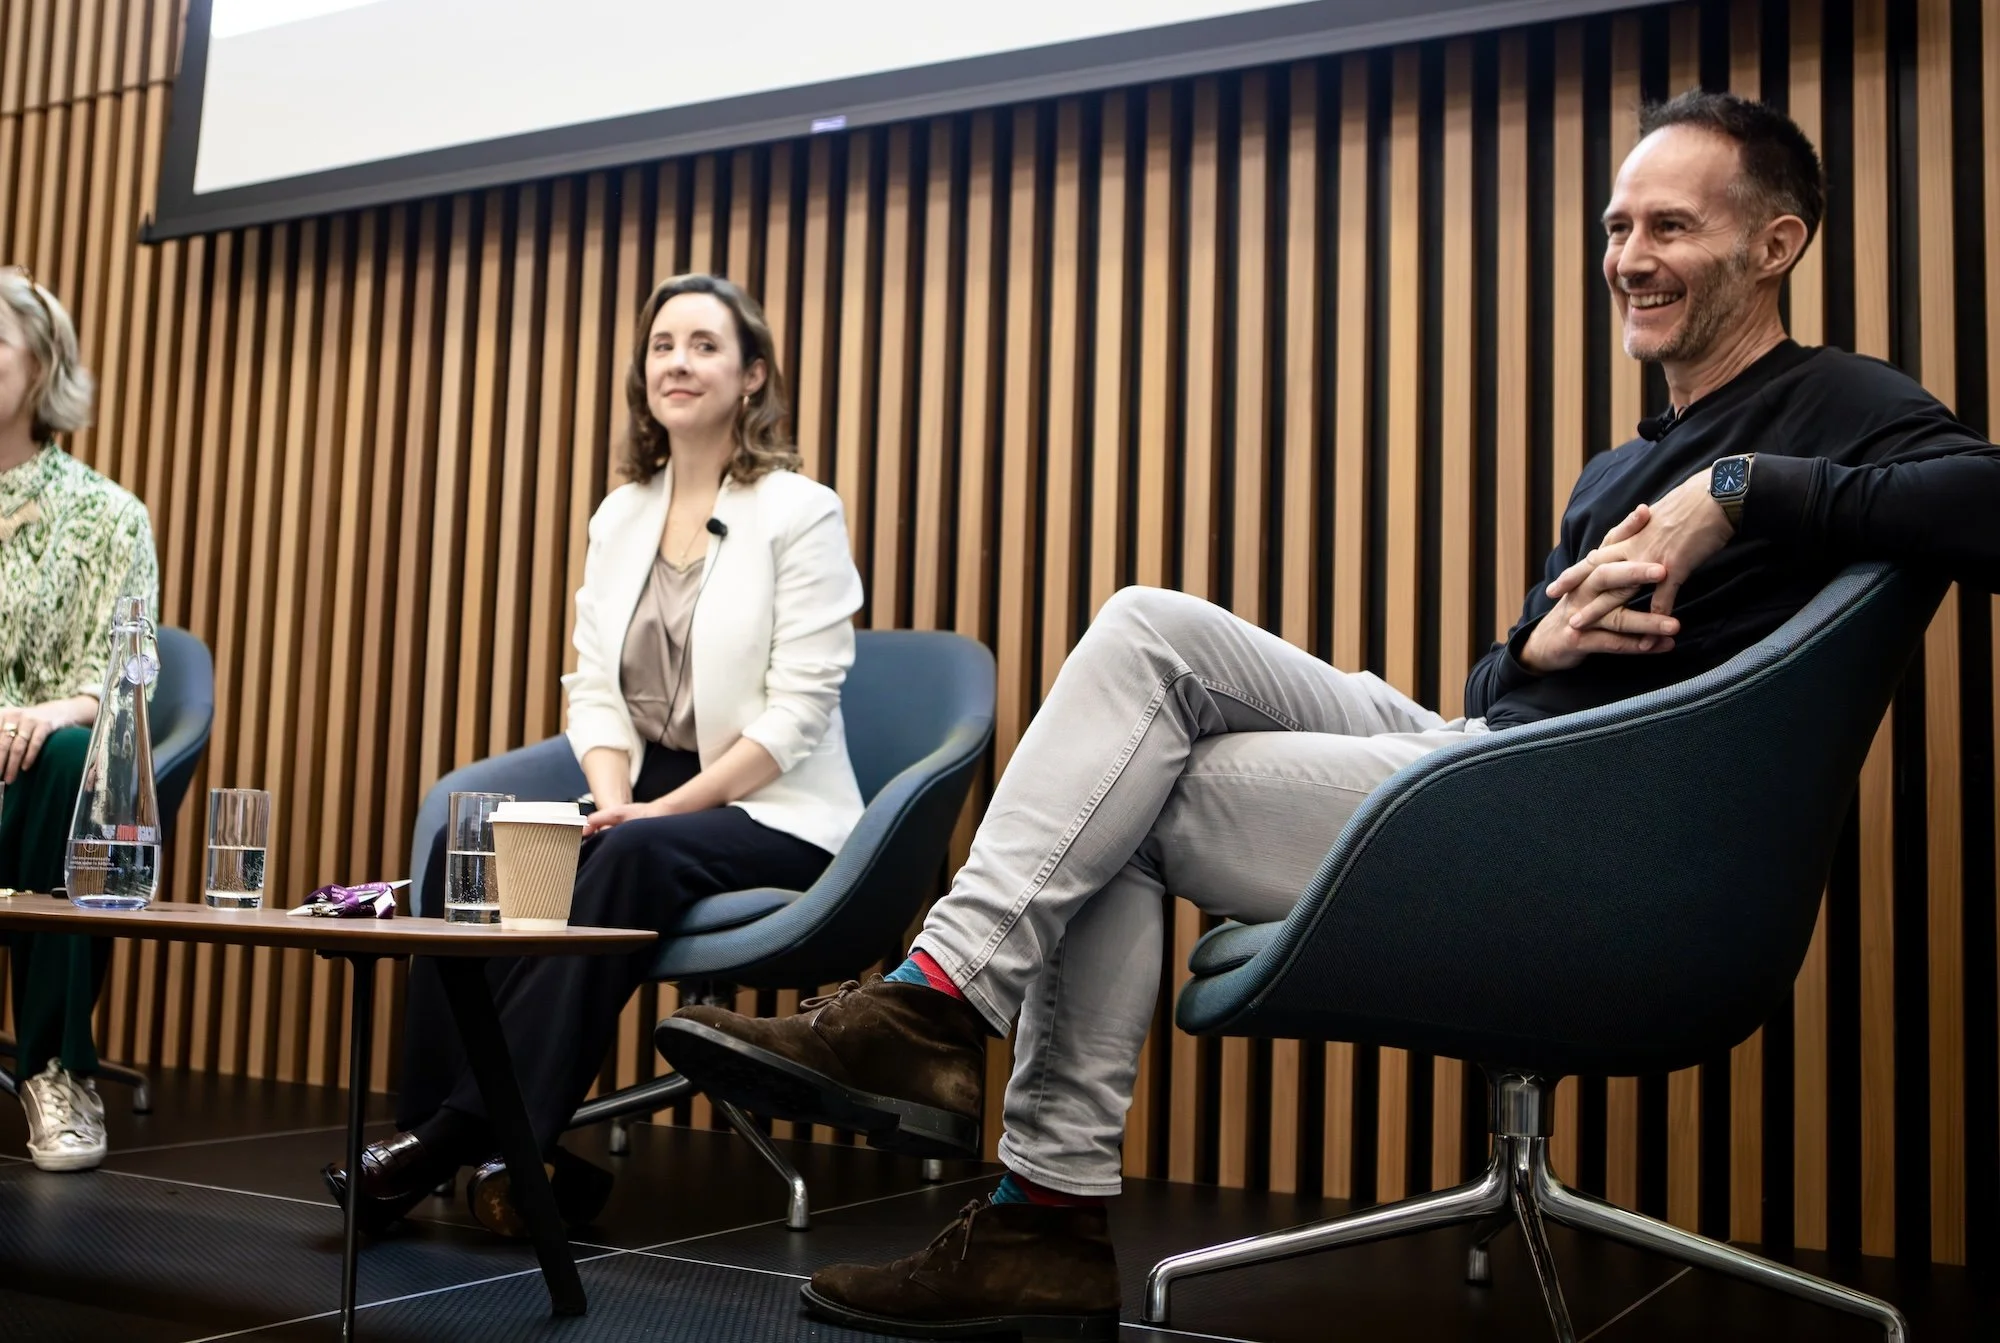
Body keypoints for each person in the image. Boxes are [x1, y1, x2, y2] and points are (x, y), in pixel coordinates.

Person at [656, 91, 2000, 1340]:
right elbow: (1501, 689)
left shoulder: (1844, 406)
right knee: (1144, 632)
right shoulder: (1619, 469)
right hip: (1496, 757)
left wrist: (1744, 490)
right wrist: (1539, 635)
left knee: (1126, 788)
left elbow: (1985, 504)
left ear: (1776, 243)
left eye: (1670, 226)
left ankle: (1016, 1162)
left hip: (1589, 839)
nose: (1629, 257)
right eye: (1615, 226)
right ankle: (952, 1032)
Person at [324, 273, 866, 1238]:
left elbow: (799, 714)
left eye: (705, 344)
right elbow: (593, 690)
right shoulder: (621, 514)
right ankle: (478, 1143)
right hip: (644, 791)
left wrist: (657, 813)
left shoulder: (799, 509)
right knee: (471, 842)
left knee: (633, 853)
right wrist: (613, 796)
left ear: (753, 376)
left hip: (775, 809)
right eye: (663, 345)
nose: (678, 362)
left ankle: (446, 1142)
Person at [0, 267, 159, 1174]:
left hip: (48, 779)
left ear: (42, 363)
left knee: (73, 754)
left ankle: (59, 1069)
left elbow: (127, 678)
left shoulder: (108, 516)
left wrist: (45, 714)